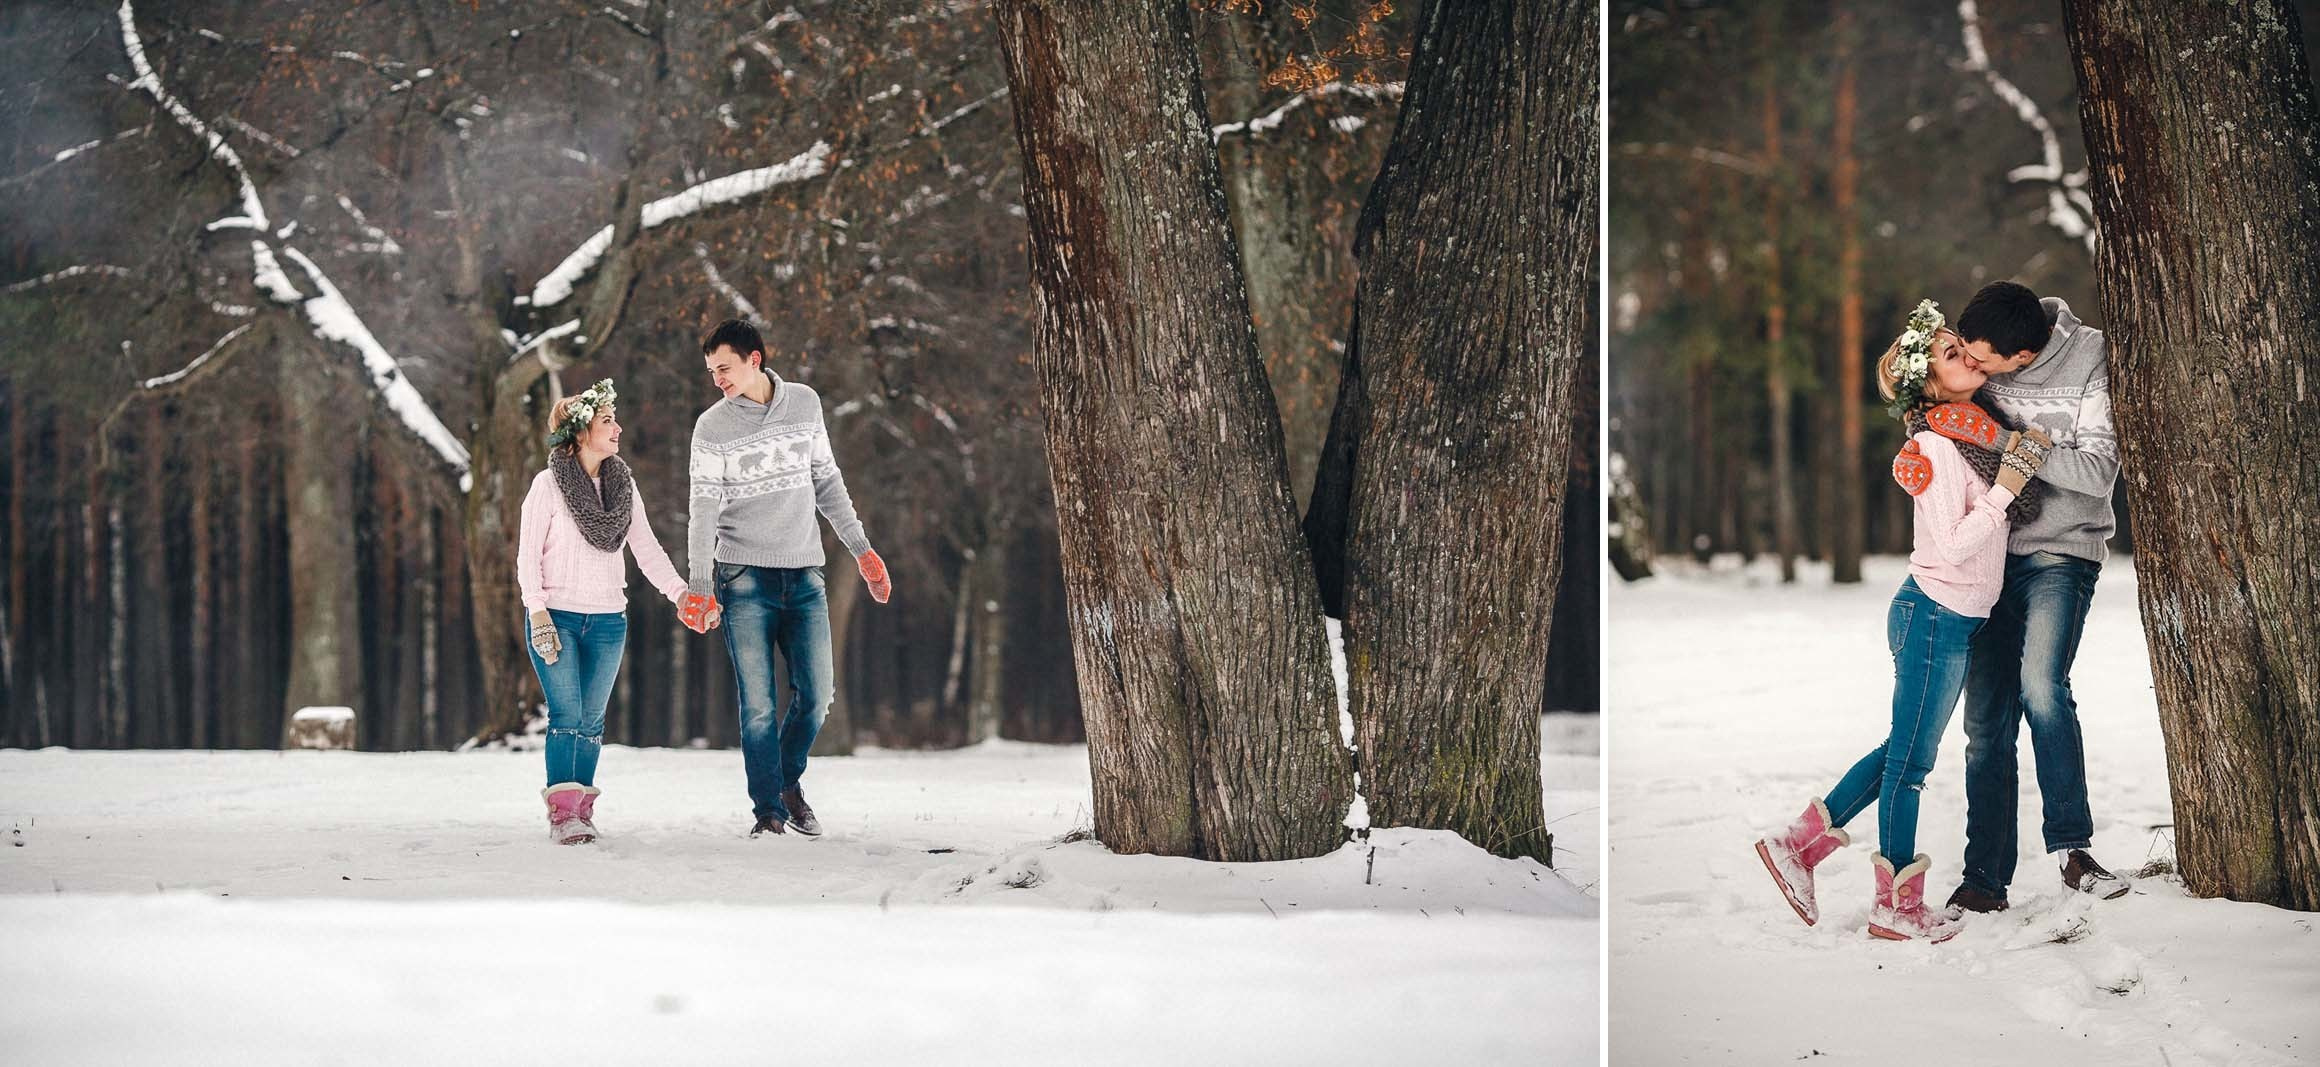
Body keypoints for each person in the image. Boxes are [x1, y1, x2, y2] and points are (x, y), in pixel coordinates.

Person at [1755, 301, 2051, 942]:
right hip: (1934, 616)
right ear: (1930, 381)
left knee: (1902, 752)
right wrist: (2009, 484)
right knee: (1911, 766)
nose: (1968, 356)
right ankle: (1894, 907)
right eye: (1953, 354)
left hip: (1949, 617)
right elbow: (1952, 543)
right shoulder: (1936, 447)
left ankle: (1797, 845)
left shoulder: (1966, 432)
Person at [1948, 280, 2129, 911]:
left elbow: (2097, 471)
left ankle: (2074, 852)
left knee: (2042, 687)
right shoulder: (1981, 353)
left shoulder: (2091, 359)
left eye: (1982, 362)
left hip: (2062, 552)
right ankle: (1984, 880)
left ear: (2021, 358)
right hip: (1988, 556)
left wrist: (2008, 443)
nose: (1971, 367)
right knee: (1985, 725)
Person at [686, 319, 890, 838]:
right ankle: (769, 816)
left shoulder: (804, 404)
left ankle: (785, 782)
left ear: (755, 359)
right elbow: (703, 510)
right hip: (744, 577)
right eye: (711, 371)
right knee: (758, 706)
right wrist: (700, 584)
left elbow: (827, 480)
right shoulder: (711, 428)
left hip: (803, 574)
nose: (718, 380)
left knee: (818, 694)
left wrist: (862, 550)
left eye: (725, 368)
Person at [516, 379, 697, 845]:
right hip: (555, 616)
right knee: (567, 714)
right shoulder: (547, 486)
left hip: (607, 621)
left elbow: (647, 549)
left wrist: (679, 594)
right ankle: (562, 814)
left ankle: (581, 809)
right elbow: (527, 557)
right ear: (580, 433)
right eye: (607, 421)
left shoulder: (622, 485)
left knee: (592, 720)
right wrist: (537, 613)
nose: (618, 428)